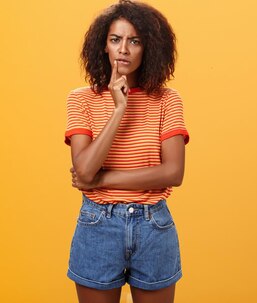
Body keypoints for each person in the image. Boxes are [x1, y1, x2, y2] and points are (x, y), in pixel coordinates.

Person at [64, 1, 189, 302]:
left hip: (153, 227)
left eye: (134, 41)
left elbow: (173, 172)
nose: (124, 49)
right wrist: (120, 108)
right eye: (115, 39)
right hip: (98, 226)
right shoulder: (81, 100)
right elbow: (83, 170)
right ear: (103, 46)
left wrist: (101, 181)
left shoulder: (167, 100)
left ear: (148, 49)